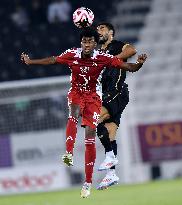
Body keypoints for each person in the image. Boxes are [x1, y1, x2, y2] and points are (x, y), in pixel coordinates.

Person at [21, 27, 147, 198]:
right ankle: (69, 153)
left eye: (90, 41)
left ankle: (87, 183)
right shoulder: (72, 54)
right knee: (73, 113)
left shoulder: (103, 58)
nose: (86, 44)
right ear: (81, 43)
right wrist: (31, 62)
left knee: (90, 136)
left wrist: (139, 63)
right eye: (84, 41)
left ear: (95, 44)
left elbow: (128, 67)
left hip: (94, 98)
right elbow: (53, 60)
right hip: (76, 93)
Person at [96, 22, 137, 190]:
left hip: (117, 91)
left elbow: (132, 50)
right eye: (97, 29)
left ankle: (110, 158)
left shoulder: (117, 45)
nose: (99, 31)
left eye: (102, 29)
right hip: (105, 94)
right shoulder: (97, 52)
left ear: (111, 32)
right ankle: (111, 174)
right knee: (109, 133)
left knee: (94, 118)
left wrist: (113, 60)